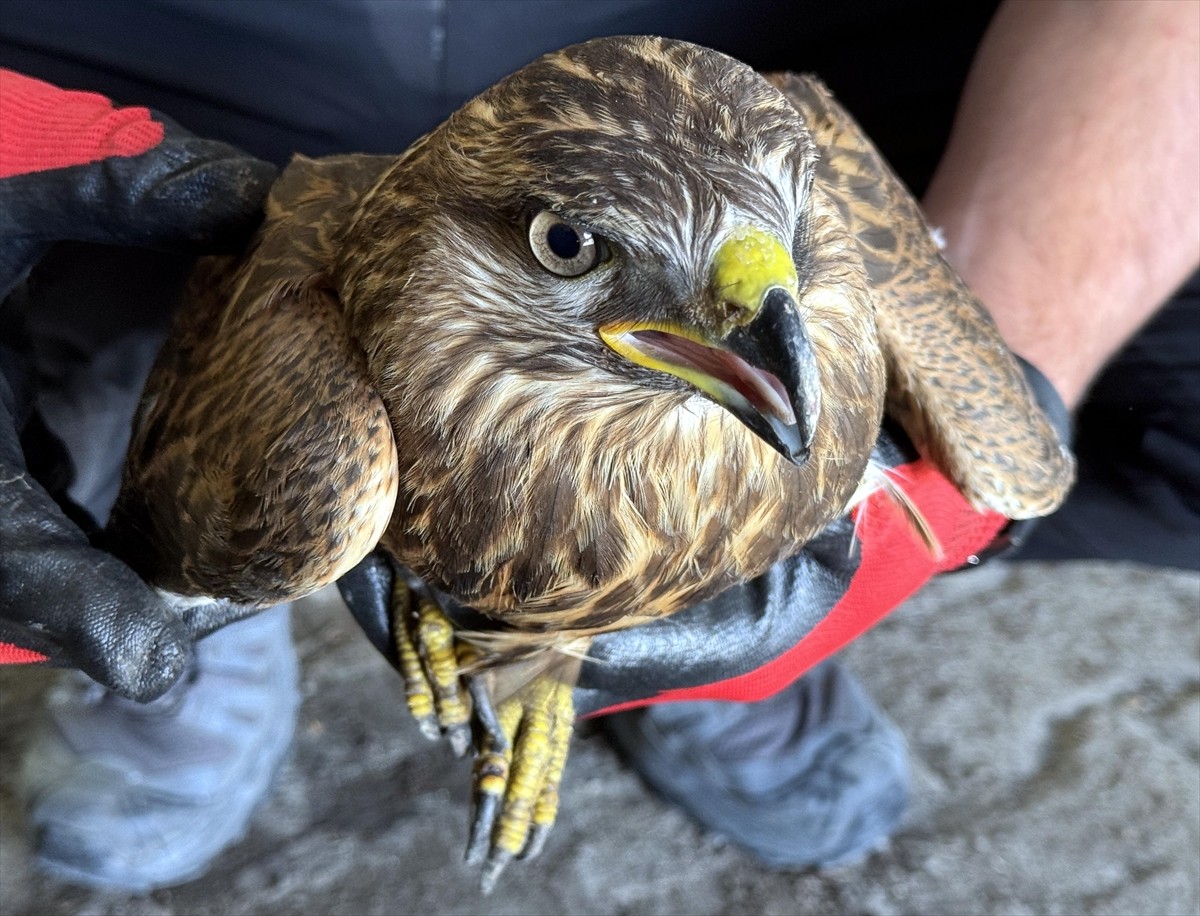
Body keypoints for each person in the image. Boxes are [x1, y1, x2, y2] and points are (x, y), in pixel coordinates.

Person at [1, 0, 1196, 892]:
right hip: (150, 56)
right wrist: (241, 505)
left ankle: (639, 649)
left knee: (1049, 445)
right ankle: (213, 609)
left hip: (743, 85)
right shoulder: (337, 395)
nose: (780, 350)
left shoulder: (786, 290)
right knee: (235, 525)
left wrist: (999, 358)